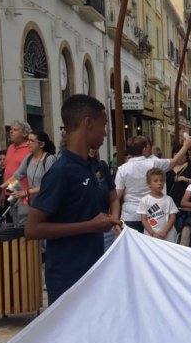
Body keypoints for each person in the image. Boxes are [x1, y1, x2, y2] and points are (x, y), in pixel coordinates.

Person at [26, 95, 121, 305]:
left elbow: (112, 199)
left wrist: (112, 220)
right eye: (103, 125)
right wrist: (90, 226)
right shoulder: (61, 172)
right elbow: (32, 229)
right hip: (68, 279)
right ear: (88, 123)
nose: (105, 132)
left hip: (95, 272)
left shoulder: (96, 167)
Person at [115, 135, 191, 232]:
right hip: (153, 212)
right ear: (144, 149)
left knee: (132, 246)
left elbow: (117, 195)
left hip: (130, 215)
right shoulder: (153, 163)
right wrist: (186, 146)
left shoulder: (122, 169)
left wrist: (114, 218)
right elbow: (174, 161)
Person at [4, 131, 57, 225]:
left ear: (41, 144)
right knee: (21, 222)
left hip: (44, 203)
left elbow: (49, 186)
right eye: (28, 140)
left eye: (31, 140)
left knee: (40, 230)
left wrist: (25, 192)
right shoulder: (28, 157)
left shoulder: (49, 159)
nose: (28, 143)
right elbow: (16, 176)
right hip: (29, 201)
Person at [137, 168, 178, 243]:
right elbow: (144, 219)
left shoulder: (169, 199)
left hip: (168, 235)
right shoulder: (145, 200)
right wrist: (152, 233)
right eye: (155, 181)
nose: (159, 183)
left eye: (161, 181)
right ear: (149, 183)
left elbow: (172, 217)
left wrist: (164, 232)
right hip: (150, 235)